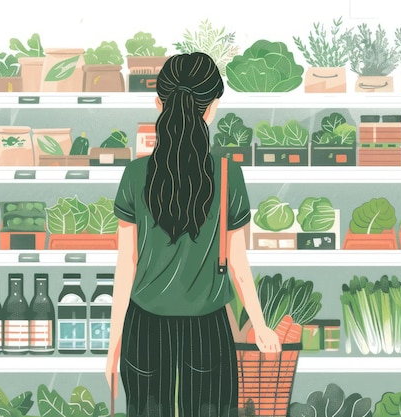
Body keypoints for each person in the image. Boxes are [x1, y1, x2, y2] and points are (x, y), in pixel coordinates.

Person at [106, 52, 281, 417]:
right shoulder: (228, 175)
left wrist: (113, 344)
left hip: (145, 325)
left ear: (159, 103)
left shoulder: (135, 175)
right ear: (212, 107)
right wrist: (260, 326)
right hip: (207, 327)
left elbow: (126, 265)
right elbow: (238, 262)